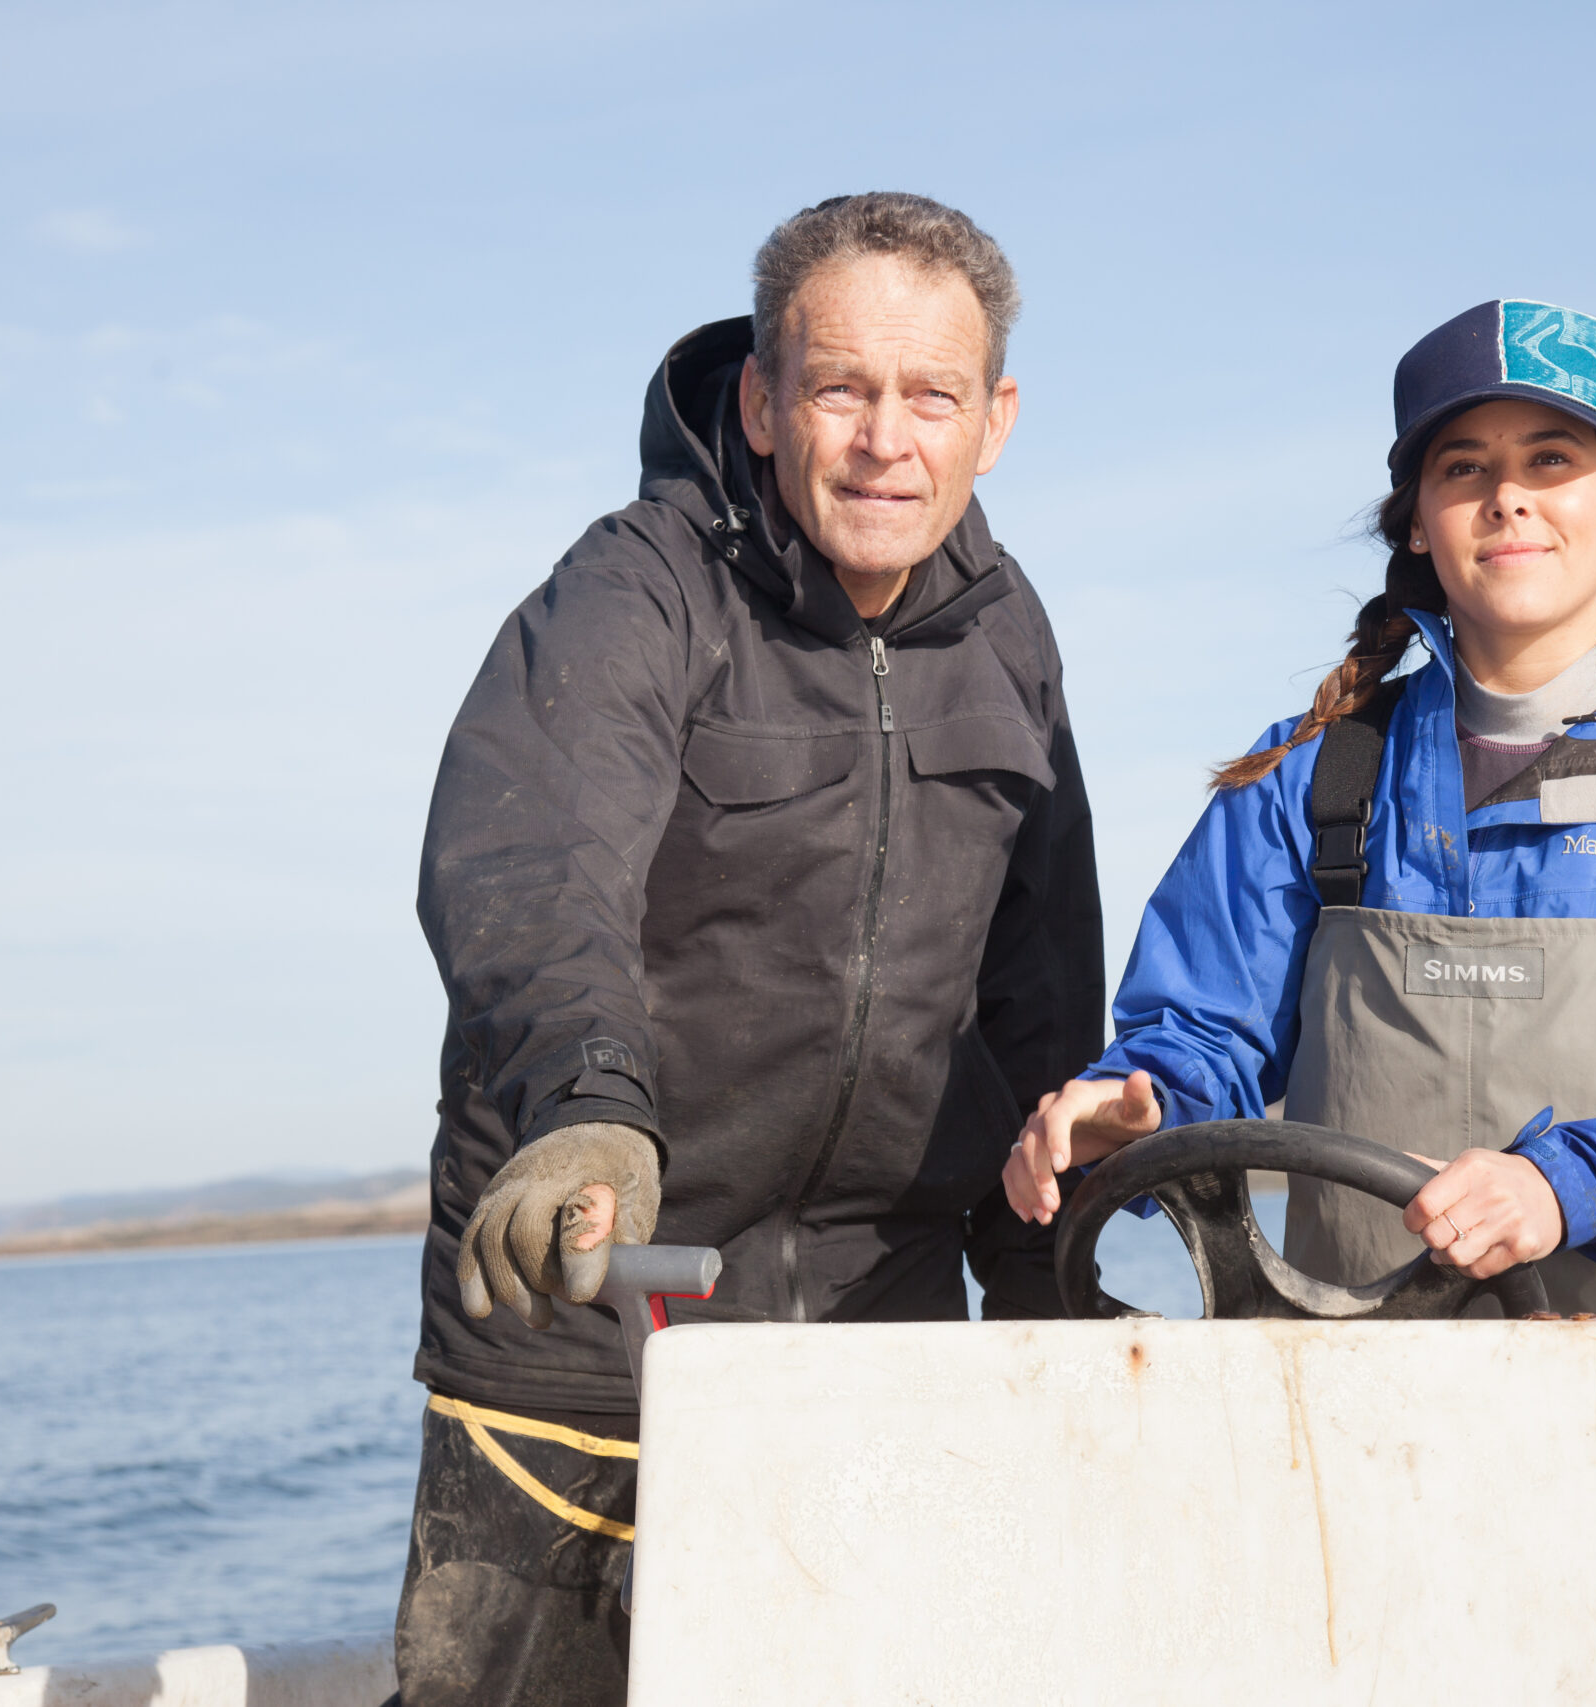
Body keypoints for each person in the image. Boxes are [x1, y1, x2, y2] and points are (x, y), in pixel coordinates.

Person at [1004, 299, 1596, 1707]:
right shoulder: (1314, 783)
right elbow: (1198, 1035)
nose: (1510, 499)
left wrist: (1568, 1185)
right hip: (1348, 1486)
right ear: (1419, 520)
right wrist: (1137, 1102)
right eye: (1465, 466)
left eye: (1553, 460)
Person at [395, 193, 1103, 1707]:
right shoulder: (637, 588)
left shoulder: (1009, 631)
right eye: (842, 388)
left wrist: (1047, 1269)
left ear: (998, 419)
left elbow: (1042, 979)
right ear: (765, 401)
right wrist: (586, 1103)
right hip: (593, 1316)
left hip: (880, 1322)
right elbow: (532, 855)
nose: (885, 441)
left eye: (933, 396)